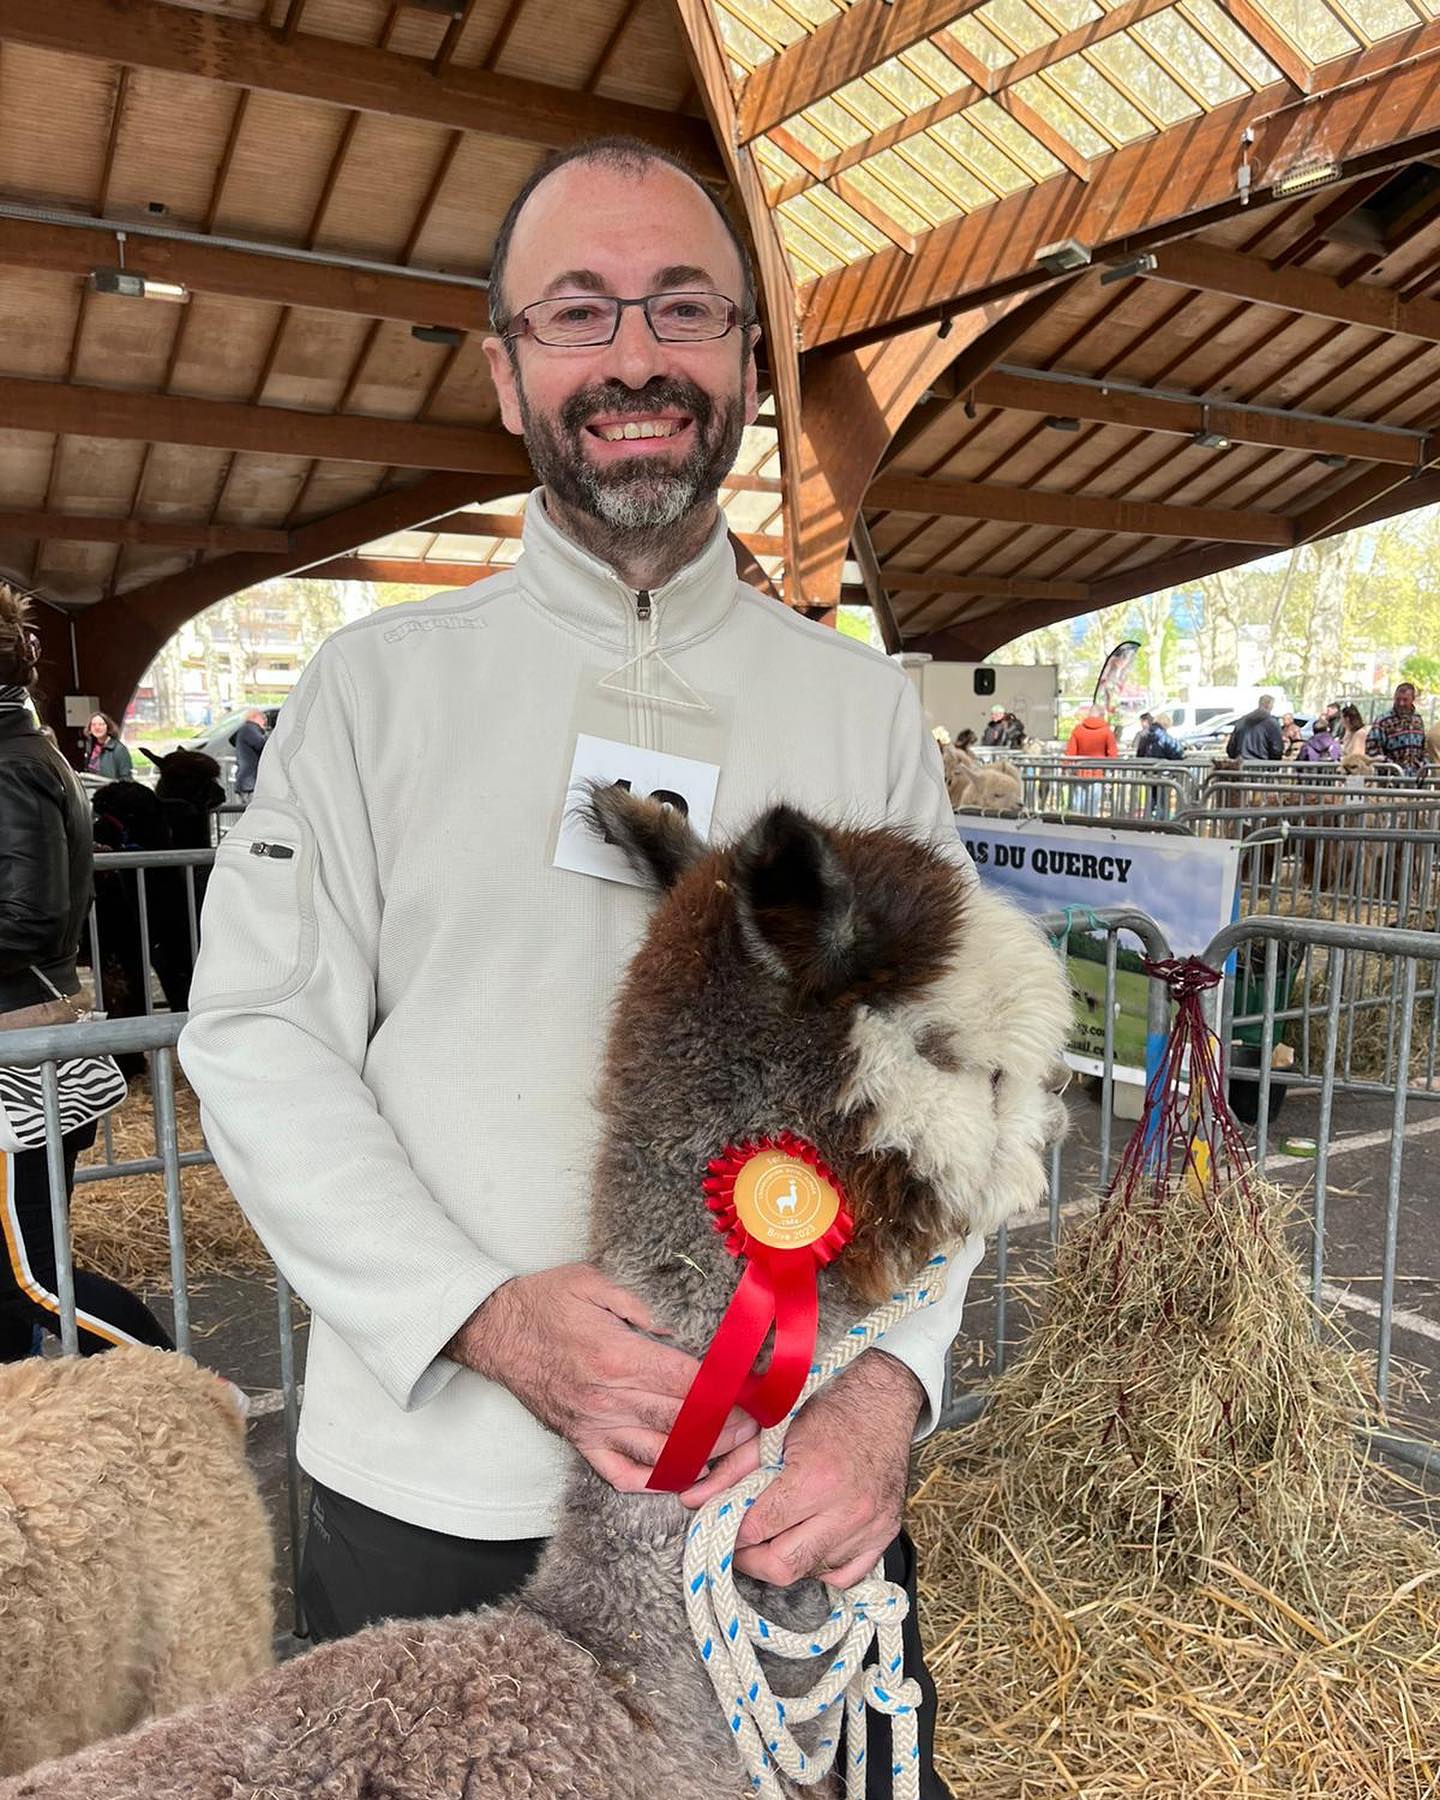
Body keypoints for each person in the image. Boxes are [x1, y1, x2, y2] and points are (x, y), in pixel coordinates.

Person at [179, 138, 970, 1798]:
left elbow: (954, 1075)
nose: (633, 356)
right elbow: (257, 1034)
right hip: (433, 1493)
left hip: (782, 1492)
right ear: (506, 366)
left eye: (686, 309)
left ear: (751, 360)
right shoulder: (372, 693)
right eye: (579, 312)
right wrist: (475, 1315)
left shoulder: (860, 714)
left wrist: (889, 1387)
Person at [0, 585, 173, 1361]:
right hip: (22, 1023)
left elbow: (30, 917)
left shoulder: (10, 764)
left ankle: (188, 1393)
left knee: (32, 1276)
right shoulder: (23, 752)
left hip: (18, 1034)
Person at [1063, 703, 1117, 815]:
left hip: (1079, 772)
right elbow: (1113, 754)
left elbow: (1070, 752)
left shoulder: (1078, 730)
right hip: (1097, 773)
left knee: (1077, 804)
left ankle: (1075, 825)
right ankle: (1090, 825)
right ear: (1102, 715)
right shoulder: (1107, 732)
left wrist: (1065, 768)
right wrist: (1111, 770)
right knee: (1093, 804)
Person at [1367, 681, 1428, 778]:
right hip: (1391, 778)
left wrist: (1423, 765)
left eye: (1405, 700)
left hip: (1415, 777)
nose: (1401, 703)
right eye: (1398, 699)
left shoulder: (1418, 719)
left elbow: (1424, 747)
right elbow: (1371, 748)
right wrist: (1389, 766)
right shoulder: (1382, 721)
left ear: (1413, 699)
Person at [1224, 694, 1284, 762]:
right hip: (1262, 765)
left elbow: (1231, 749)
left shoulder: (1242, 721)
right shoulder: (1272, 723)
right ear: (1270, 705)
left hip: (1241, 764)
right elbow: (1277, 749)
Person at [231, 708, 269, 805]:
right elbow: (262, 745)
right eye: (263, 717)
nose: (265, 721)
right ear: (254, 717)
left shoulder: (245, 729)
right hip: (249, 783)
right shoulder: (250, 729)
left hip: (245, 782)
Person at [82, 711, 132, 781]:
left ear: (108, 727)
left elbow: (126, 778)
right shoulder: (91, 747)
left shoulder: (119, 749)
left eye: (101, 724)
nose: (97, 727)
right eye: (93, 725)